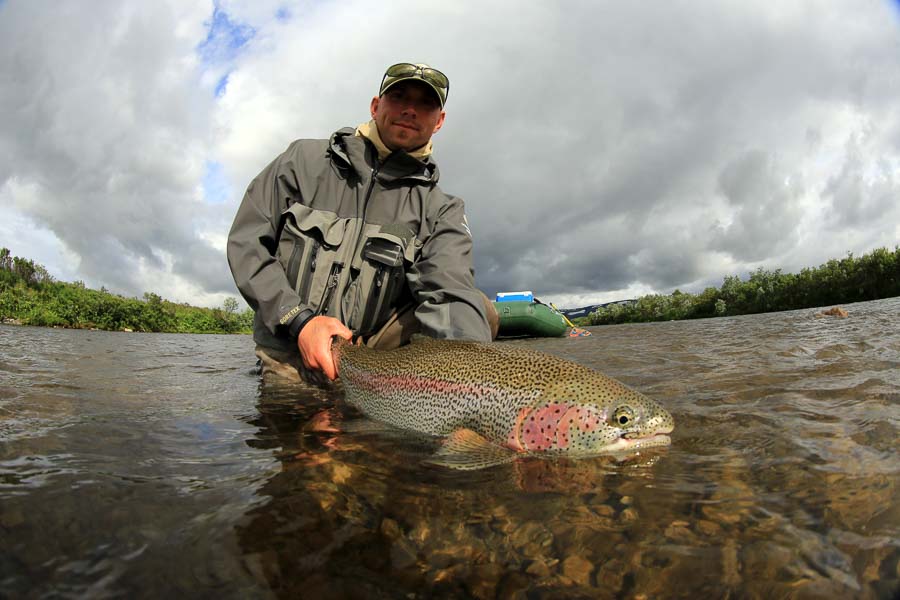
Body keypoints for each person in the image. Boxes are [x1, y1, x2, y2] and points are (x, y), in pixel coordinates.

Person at [227, 62, 499, 384]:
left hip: (373, 355)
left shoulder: (442, 209)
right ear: (375, 106)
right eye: (398, 97)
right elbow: (247, 244)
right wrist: (300, 321)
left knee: (480, 309)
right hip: (291, 341)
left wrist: (475, 384)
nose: (410, 110)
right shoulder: (301, 161)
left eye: (426, 104)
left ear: (439, 122)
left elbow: (449, 292)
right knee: (290, 423)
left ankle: (436, 391)